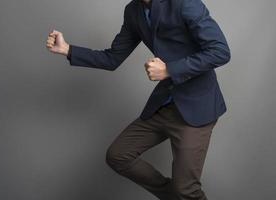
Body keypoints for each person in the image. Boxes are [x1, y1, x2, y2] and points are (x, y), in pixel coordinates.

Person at [46, 0, 231, 199]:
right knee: (118, 155)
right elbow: (112, 59)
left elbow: (220, 52)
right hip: (165, 105)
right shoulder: (133, 11)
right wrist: (68, 50)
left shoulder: (184, 3)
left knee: (185, 189)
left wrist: (169, 69)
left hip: (197, 108)